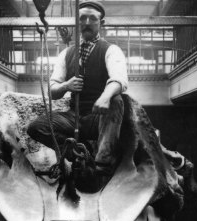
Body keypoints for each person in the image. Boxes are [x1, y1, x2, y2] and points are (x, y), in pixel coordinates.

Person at [27, 0, 128, 176]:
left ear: (101, 23)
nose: (87, 23)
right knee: (37, 127)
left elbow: (119, 79)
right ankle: (75, 154)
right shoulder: (66, 54)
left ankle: (101, 164)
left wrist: (105, 97)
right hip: (74, 117)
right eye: (82, 18)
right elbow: (52, 90)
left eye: (92, 19)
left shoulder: (111, 50)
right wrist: (66, 86)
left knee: (116, 100)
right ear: (77, 22)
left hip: (98, 117)